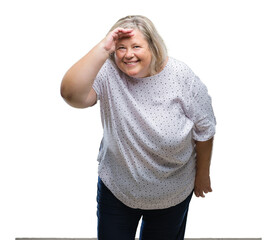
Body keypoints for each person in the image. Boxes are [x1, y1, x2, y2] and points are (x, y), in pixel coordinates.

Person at [61, 15, 216, 240]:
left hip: (171, 193)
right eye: (121, 47)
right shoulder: (109, 71)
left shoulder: (182, 76)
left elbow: (205, 129)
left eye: (136, 46)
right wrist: (103, 48)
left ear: (153, 46)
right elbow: (71, 95)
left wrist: (203, 173)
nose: (128, 54)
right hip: (118, 189)